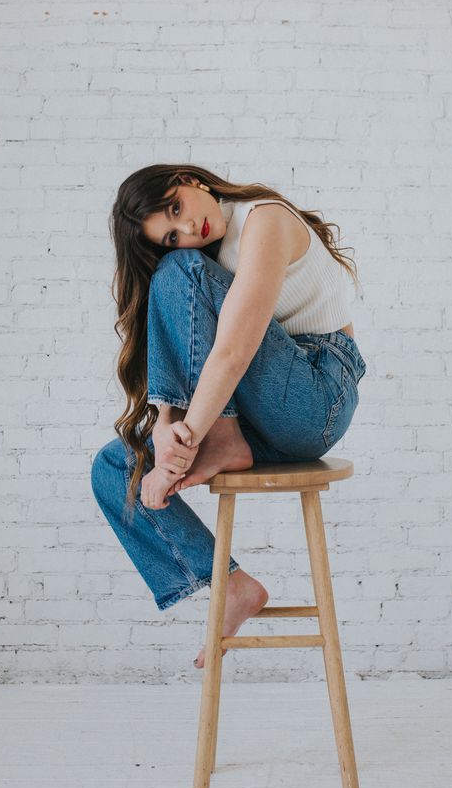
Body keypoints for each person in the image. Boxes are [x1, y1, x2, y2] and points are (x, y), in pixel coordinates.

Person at [90, 163, 367, 669]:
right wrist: (168, 422)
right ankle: (234, 585)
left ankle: (223, 441)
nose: (185, 230)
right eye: (170, 236)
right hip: (254, 413)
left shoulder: (263, 221)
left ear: (191, 181)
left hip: (316, 397)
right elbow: (188, 348)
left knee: (181, 273)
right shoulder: (199, 259)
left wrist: (192, 432)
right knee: (114, 469)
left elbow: (233, 352)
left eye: (177, 208)